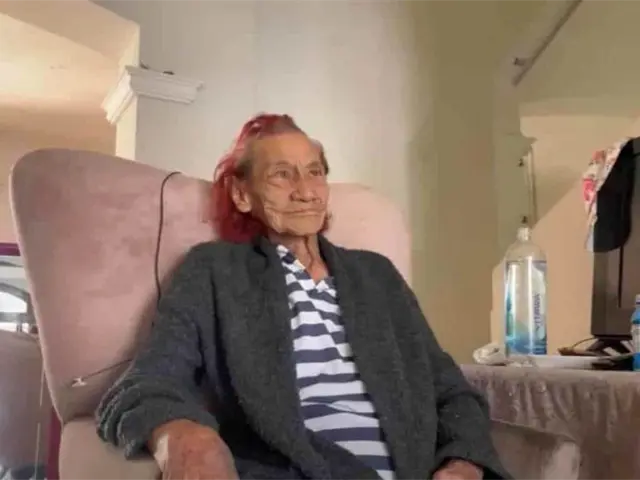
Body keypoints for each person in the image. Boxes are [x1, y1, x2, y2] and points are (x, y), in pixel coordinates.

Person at [96, 114, 510, 480]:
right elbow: (149, 381)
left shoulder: (376, 275)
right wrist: (187, 438)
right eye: (282, 175)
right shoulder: (216, 271)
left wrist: (462, 465)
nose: (306, 192)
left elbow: (452, 392)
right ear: (242, 195)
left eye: (315, 172)